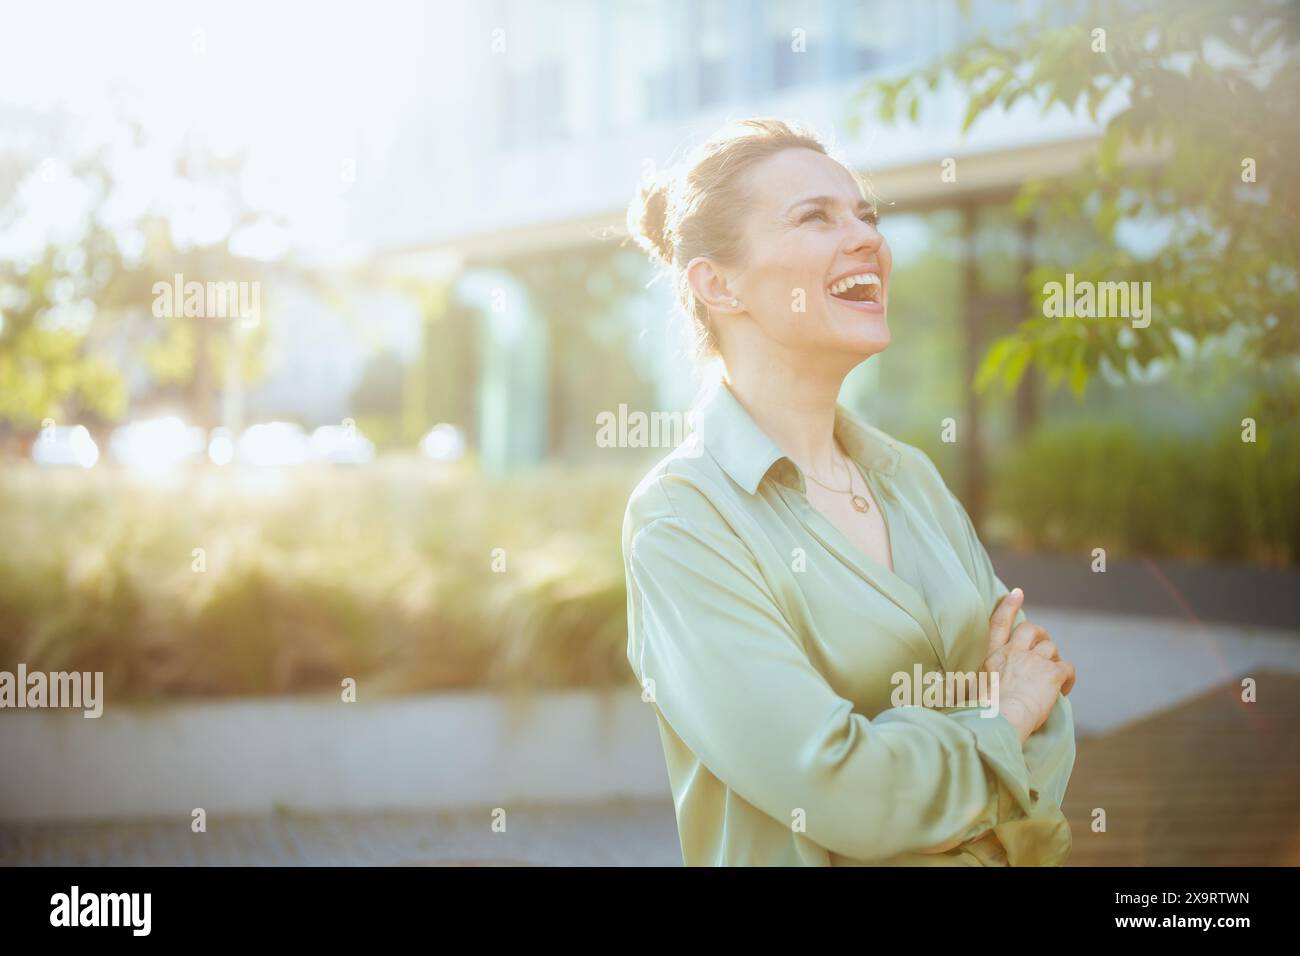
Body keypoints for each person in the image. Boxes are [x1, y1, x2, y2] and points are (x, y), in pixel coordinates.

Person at [621, 118, 1077, 866]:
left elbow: (1048, 707)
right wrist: (1000, 724)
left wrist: (1004, 721)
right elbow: (839, 787)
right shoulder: (681, 519)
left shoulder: (912, 479)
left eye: (866, 215)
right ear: (717, 283)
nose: (867, 237)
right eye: (815, 217)